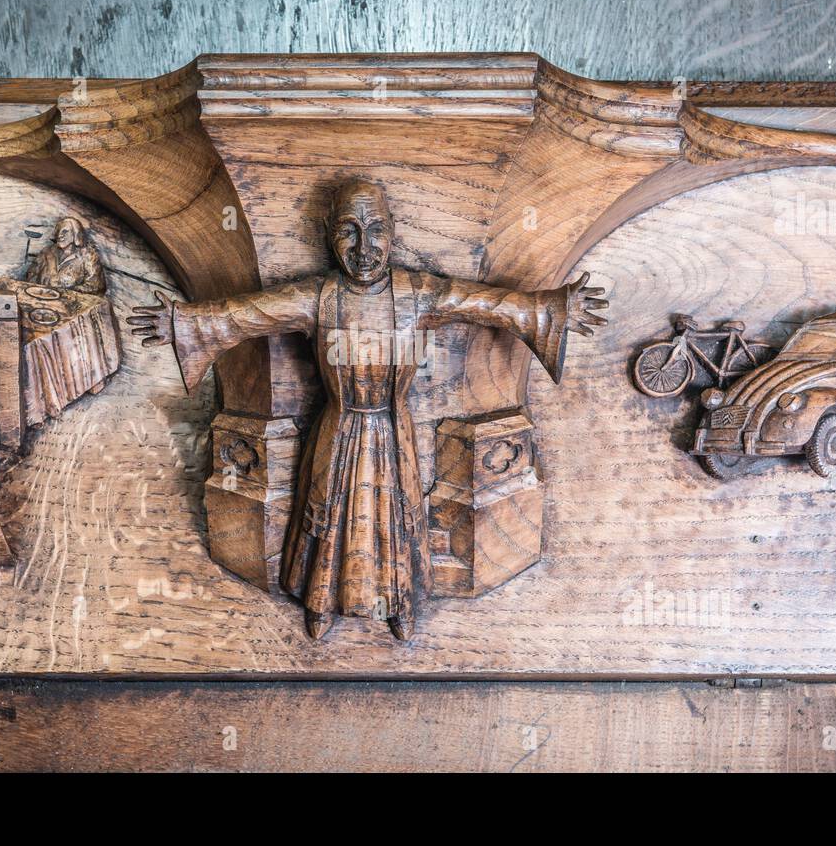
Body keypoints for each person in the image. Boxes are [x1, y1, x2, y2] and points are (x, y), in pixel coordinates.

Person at [128, 179, 607, 640]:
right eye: (348, 232)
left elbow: (490, 305)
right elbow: (248, 313)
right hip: (339, 428)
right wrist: (183, 323)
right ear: (329, 237)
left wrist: (551, 309)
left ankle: (400, 600)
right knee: (330, 511)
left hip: (392, 429)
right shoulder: (319, 296)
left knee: (394, 514)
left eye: (376, 230)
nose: (364, 248)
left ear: (392, 233)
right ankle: (321, 601)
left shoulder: (417, 292)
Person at [25, 216, 106, 295]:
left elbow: (95, 286)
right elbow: (32, 274)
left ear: (75, 234)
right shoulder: (47, 252)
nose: (59, 235)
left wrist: (70, 291)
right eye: (58, 232)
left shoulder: (88, 256)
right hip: (41, 298)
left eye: (65, 232)